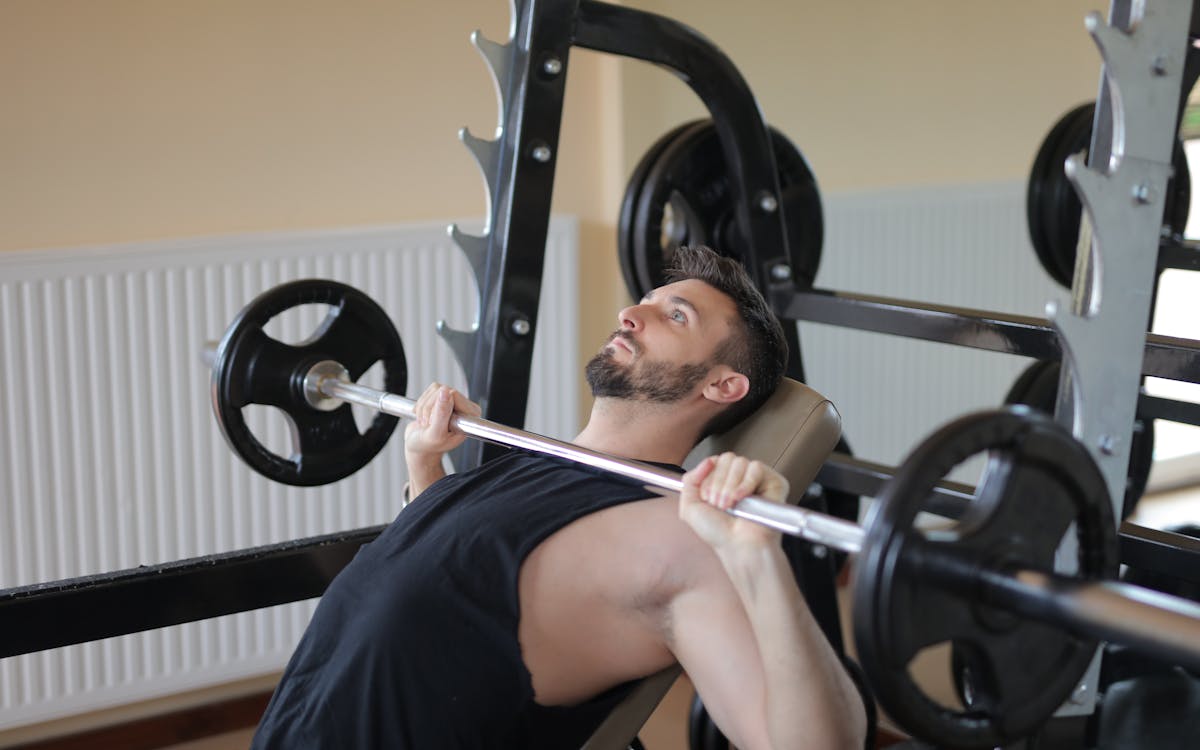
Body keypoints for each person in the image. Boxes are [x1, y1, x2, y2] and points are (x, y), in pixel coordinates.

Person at [251, 245, 869, 749]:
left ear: (723, 384)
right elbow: (450, 591)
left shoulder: (674, 536)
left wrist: (759, 559)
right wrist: (426, 463)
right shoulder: (530, 465)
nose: (632, 314)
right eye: (646, 301)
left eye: (676, 316)